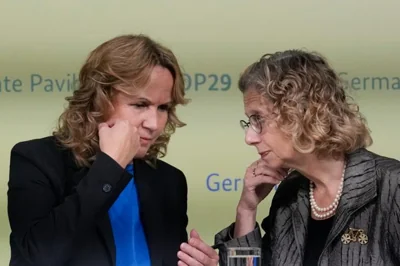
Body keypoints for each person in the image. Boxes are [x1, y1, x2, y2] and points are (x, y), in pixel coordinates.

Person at [177, 50, 400, 266]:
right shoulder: (290, 193)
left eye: (258, 119)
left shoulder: (393, 186)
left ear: (301, 113)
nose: (249, 137)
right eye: (249, 121)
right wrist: (246, 209)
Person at [7, 34, 190, 266]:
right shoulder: (37, 160)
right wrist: (110, 167)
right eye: (140, 105)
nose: (154, 123)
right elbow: (37, 258)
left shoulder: (169, 180)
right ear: (99, 99)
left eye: (163, 107)